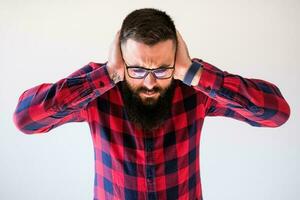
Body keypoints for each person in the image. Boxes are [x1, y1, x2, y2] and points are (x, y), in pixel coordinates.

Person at [13, 8, 290, 200]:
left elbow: (276, 113)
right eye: (136, 69)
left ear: (176, 62)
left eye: (161, 70)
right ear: (121, 59)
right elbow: (25, 120)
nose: (149, 82)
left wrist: (193, 73)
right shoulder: (97, 88)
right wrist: (107, 75)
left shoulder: (194, 87)